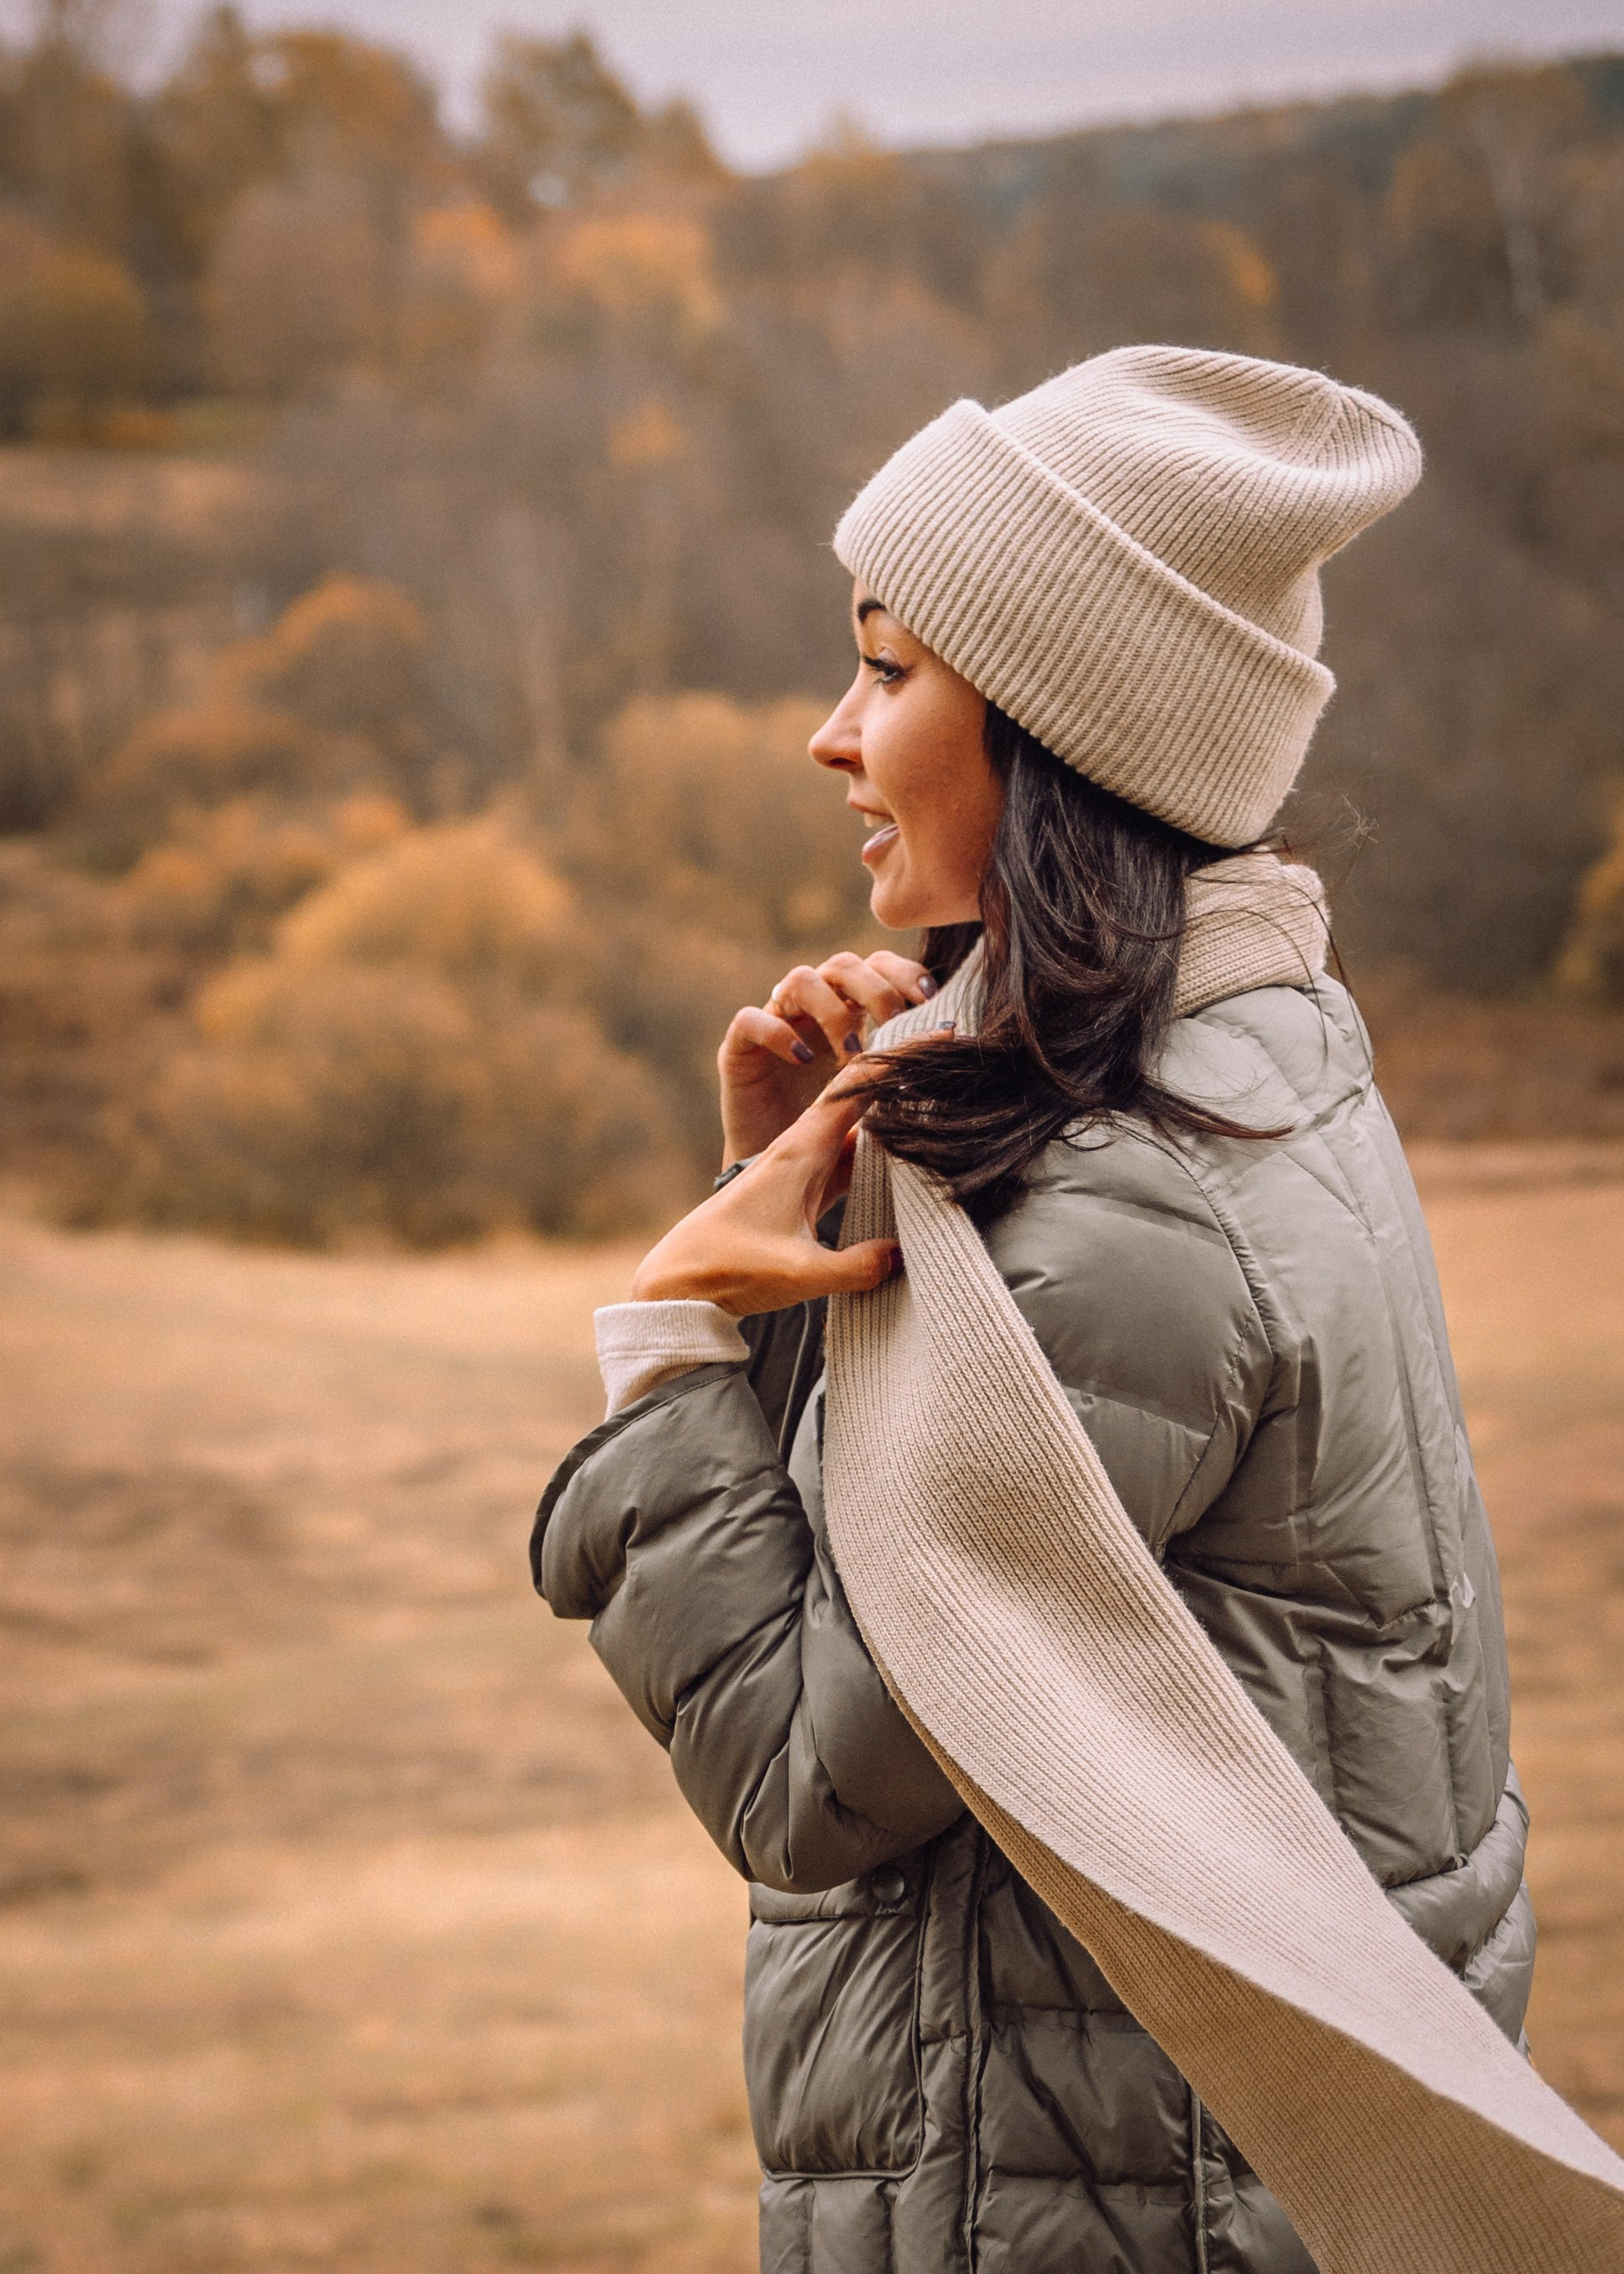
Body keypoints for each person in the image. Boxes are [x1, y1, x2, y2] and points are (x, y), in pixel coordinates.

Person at [532, 348, 1533, 2274]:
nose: (831, 736)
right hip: (1140, 2172)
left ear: (1067, 734)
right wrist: (813, 1220)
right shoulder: (1257, 1066)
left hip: (1101, 2206)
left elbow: (803, 1775)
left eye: (888, 671)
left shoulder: (1132, 1225)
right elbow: (925, 1595)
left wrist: (671, 1341)